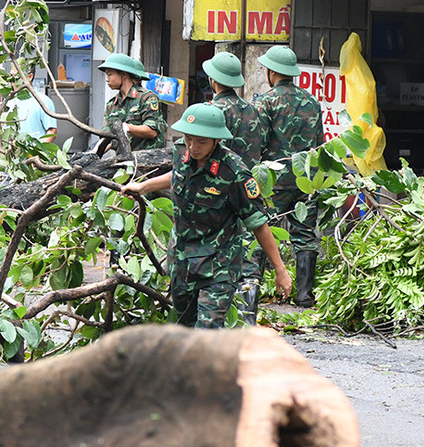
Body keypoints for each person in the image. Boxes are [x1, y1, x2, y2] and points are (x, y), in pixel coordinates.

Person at [123, 103, 291, 328]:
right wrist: (143, 187)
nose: (193, 147)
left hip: (218, 265)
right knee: (184, 331)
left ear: (216, 140)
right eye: (189, 138)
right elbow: (178, 174)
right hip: (182, 261)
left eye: (201, 141)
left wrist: (280, 270)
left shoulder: (234, 172)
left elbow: (258, 224)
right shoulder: (182, 150)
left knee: (207, 332)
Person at [252, 45, 324, 307]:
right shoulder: (312, 103)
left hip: (274, 180)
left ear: (271, 72)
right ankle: (304, 295)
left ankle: (253, 294)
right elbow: (319, 144)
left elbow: (257, 143)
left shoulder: (265, 102)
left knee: (264, 231)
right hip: (306, 178)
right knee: (305, 233)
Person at [202, 50, 269, 323]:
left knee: (215, 255)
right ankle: (246, 317)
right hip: (248, 188)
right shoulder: (253, 110)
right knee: (250, 251)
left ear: (212, 80)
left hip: (215, 193)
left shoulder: (211, 112)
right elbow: (262, 146)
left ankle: (219, 316)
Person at [97, 52, 165, 154]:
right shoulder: (111, 105)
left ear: (124, 75)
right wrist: (94, 153)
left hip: (147, 161)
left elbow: (152, 132)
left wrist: (126, 127)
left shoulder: (147, 98)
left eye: (110, 74)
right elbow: (107, 136)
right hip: (123, 161)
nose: (107, 79)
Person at [14, 70, 58, 144]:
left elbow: (52, 132)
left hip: (34, 152)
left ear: (30, 77)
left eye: (17, 77)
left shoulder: (43, 101)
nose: (13, 81)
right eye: (11, 76)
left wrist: (38, 151)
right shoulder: (9, 101)